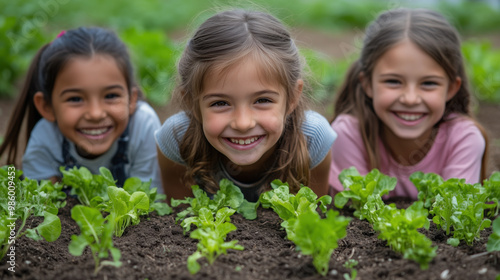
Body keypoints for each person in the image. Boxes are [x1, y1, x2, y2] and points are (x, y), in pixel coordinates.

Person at [155, 9, 336, 202]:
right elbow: (178, 221)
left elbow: (313, 219)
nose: (243, 123)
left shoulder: (312, 139)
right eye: (220, 103)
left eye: (262, 100)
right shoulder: (177, 139)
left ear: (292, 97)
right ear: (192, 103)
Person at [329, 8, 488, 199]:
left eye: (429, 83)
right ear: (367, 84)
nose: (410, 99)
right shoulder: (349, 134)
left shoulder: (463, 138)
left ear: (452, 88)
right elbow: (350, 214)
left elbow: (458, 214)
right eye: (393, 81)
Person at [0, 27, 161, 189]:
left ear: (131, 100)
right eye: (75, 99)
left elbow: (152, 204)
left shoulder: (142, 125)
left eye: (111, 96)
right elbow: (40, 210)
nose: (95, 114)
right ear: (46, 106)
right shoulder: (45, 139)